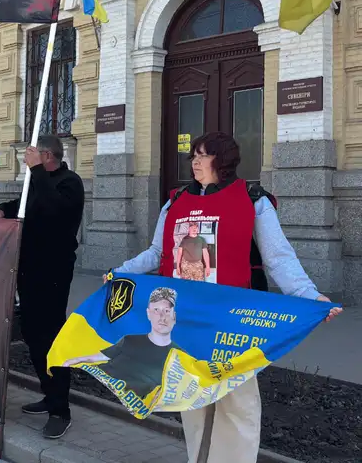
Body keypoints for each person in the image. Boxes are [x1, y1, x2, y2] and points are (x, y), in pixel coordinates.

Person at [108, 131, 341, 463]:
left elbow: (279, 258)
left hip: (232, 320)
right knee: (194, 400)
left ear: (224, 161)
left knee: (237, 403)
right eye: (194, 155)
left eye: (205, 155)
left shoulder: (252, 199)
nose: (196, 162)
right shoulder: (175, 202)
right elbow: (157, 252)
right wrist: (120, 272)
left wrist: (310, 296)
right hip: (186, 319)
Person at [0, 135, 85, 439]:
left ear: (46, 156)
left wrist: (38, 173)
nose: (26, 161)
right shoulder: (39, 181)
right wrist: (3, 209)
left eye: (31, 156)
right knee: (32, 333)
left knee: (52, 337)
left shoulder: (69, 182)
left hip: (54, 271)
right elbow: (25, 206)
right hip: (28, 268)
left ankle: (61, 410)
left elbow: (55, 210)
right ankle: (48, 394)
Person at [64, 287, 182, 400]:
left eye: (167, 311)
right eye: (156, 310)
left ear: (174, 317)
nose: (162, 317)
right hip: (101, 388)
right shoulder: (130, 340)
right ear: (148, 314)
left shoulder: (179, 355)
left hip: (132, 401)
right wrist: (71, 360)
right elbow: (98, 356)